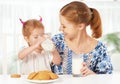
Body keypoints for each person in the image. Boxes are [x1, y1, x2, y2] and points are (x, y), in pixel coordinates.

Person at [52, 1, 113, 77]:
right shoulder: (56, 41)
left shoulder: (100, 49)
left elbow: (108, 78)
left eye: (64, 26)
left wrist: (92, 75)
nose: (60, 29)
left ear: (80, 26)